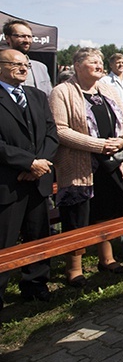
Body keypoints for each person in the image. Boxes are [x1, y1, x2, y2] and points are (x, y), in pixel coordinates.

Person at [50, 48, 123, 287]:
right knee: (77, 217)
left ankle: (106, 258)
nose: (99, 65)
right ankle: (74, 269)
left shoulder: (107, 89)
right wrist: (98, 145)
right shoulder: (62, 92)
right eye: (93, 61)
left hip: (111, 165)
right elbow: (60, 130)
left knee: (106, 213)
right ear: (77, 65)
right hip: (79, 168)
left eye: (100, 61)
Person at [0, 49, 58, 311]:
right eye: (17, 64)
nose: (24, 69)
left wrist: (39, 164)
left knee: (38, 235)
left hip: (37, 181)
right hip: (8, 183)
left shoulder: (36, 96)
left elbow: (50, 132)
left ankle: (36, 284)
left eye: (26, 65)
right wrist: (27, 163)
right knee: (5, 243)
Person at [2, 20, 53, 96]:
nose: (27, 40)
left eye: (29, 36)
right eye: (21, 36)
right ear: (7, 38)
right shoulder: (2, 66)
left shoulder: (41, 67)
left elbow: (48, 96)